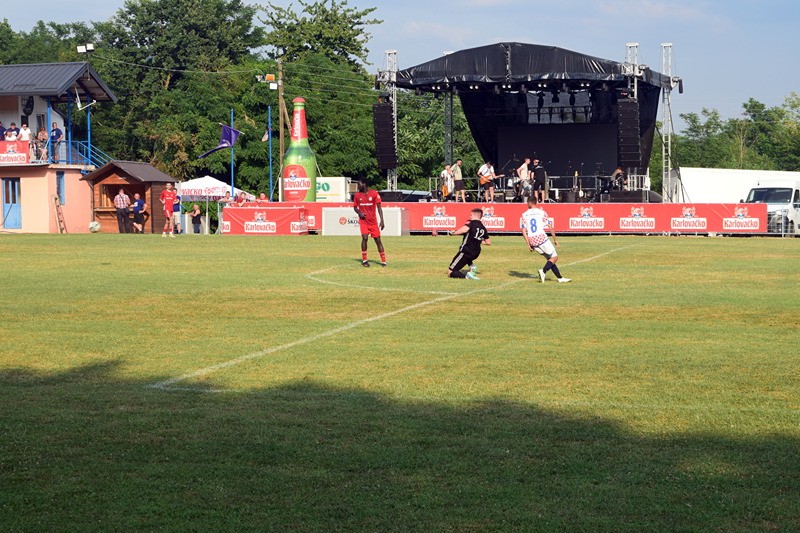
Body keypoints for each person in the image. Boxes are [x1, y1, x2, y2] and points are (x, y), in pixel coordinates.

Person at [521, 196, 570, 283]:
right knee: (555, 257)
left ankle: (560, 278)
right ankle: (543, 271)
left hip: (532, 240)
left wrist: (528, 244)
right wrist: (555, 239)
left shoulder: (524, 214)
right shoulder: (542, 212)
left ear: (529, 203)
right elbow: (550, 226)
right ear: (536, 202)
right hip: (541, 238)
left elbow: (523, 231)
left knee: (550, 259)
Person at [447, 207, 491, 280]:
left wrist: (452, 233)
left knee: (451, 272)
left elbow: (464, 229)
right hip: (476, 253)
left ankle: (467, 277)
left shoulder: (471, 223)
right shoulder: (483, 227)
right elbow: (488, 242)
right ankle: (472, 266)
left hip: (466, 251)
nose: (470, 216)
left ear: (475, 216)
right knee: (466, 257)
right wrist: (478, 240)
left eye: (471, 215)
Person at [353, 179, 386, 267]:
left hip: (373, 222)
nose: (358, 186)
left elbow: (379, 207)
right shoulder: (357, 195)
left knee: (377, 240)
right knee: (364, 238)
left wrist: (382, 220)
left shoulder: (374, 193)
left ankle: (383, 261)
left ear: (364, 184)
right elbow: (355, 207)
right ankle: (364, 260)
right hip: (363, 221)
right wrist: (360, 213)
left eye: (359, 184)